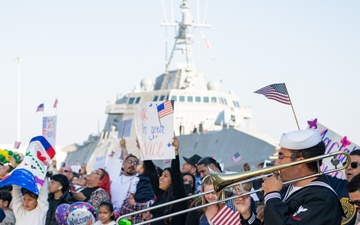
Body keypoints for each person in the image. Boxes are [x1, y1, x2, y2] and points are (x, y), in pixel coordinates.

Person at [261, 129, 343, 224]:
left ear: (299, 162)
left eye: (281, 157)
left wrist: (272, 195)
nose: (276, 163)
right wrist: (248, 215)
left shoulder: (323, 199)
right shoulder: (285, 189)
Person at [143, 137, 188, 225]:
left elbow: (175, 174)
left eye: (166, 176)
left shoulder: (178, 195)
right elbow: (152, 173)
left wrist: (175, 153)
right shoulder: (161, 194)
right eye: (161, 175)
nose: (161, 178)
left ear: (173, 182)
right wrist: (144, 151)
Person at [111, 139, 139, 209]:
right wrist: (123, 147)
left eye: (135, 163)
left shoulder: (136, 179)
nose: (132, 165)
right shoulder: (115, 178)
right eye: (129, 162)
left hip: (124, 214)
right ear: (123, 164)